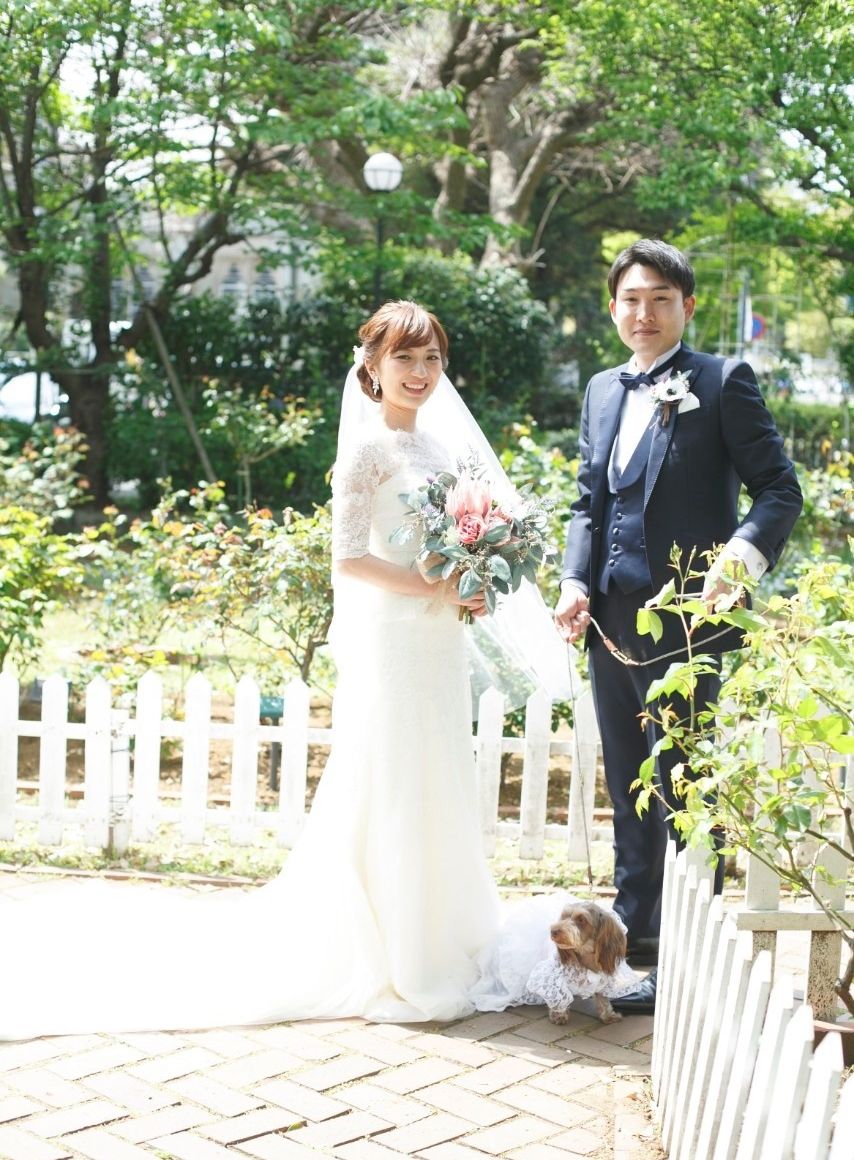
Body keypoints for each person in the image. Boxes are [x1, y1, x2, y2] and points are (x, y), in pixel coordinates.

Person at [0, 300, 567, 1039]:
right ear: (372, 366)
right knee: (393, 777)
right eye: (404, 357)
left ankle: (445, 935)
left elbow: (453, 545)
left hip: (438, 640)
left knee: (438, 773)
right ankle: (398, 950)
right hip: (396, 639)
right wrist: (431, 586)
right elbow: (349, 559)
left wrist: (470, 579)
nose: (420, 372)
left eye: (432, 358)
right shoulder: (366, 452)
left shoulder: (440, 450)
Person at [554, 240, 802, 1013]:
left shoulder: (722, 382)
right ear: (613, 307)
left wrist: (740, 557)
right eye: (631, 299)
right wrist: (573, 581)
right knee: (631, 783)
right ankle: (635, 946)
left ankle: (688, 959)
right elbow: (589, 502)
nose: (644, 313)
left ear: (686, 307)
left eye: (661, 299)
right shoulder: (602, 389)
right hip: (609, 619)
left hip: (692, 624)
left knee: (683, 787)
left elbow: (779, 489)